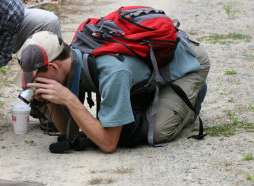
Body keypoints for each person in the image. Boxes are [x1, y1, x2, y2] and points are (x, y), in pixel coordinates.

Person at [16, 31, 210, 153]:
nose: (34, 83)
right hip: (139, 73)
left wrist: (68, 98)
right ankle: (154, 92)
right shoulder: (71, 61)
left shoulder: (110, 72)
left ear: (52, 67)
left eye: (37, 78)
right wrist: (51, 100)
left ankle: (193, 96)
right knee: (127, 118)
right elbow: (72, 130)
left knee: (156, 132)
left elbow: (108, 143)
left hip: (189, 62)